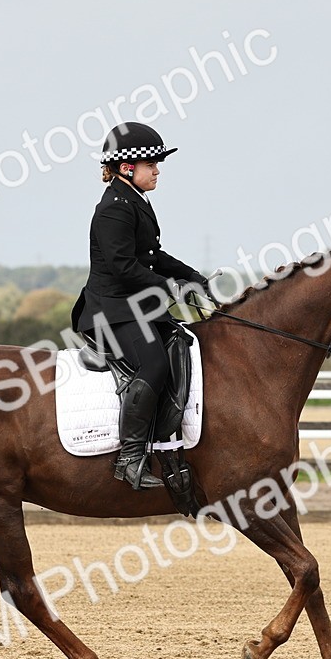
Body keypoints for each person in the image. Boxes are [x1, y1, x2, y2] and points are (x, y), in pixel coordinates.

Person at [69, 122, 210, 490]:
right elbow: (122, 266)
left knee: (181, 343)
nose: (158, 170)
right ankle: (130, 458)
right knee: (154, 362)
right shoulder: (115, 208)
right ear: (127, 167)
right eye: (151, 164)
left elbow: (150, 255)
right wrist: (169, 287)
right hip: (109, 312)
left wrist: (191, 276)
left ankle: (168, 443)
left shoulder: (134, 200)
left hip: (133, 308)